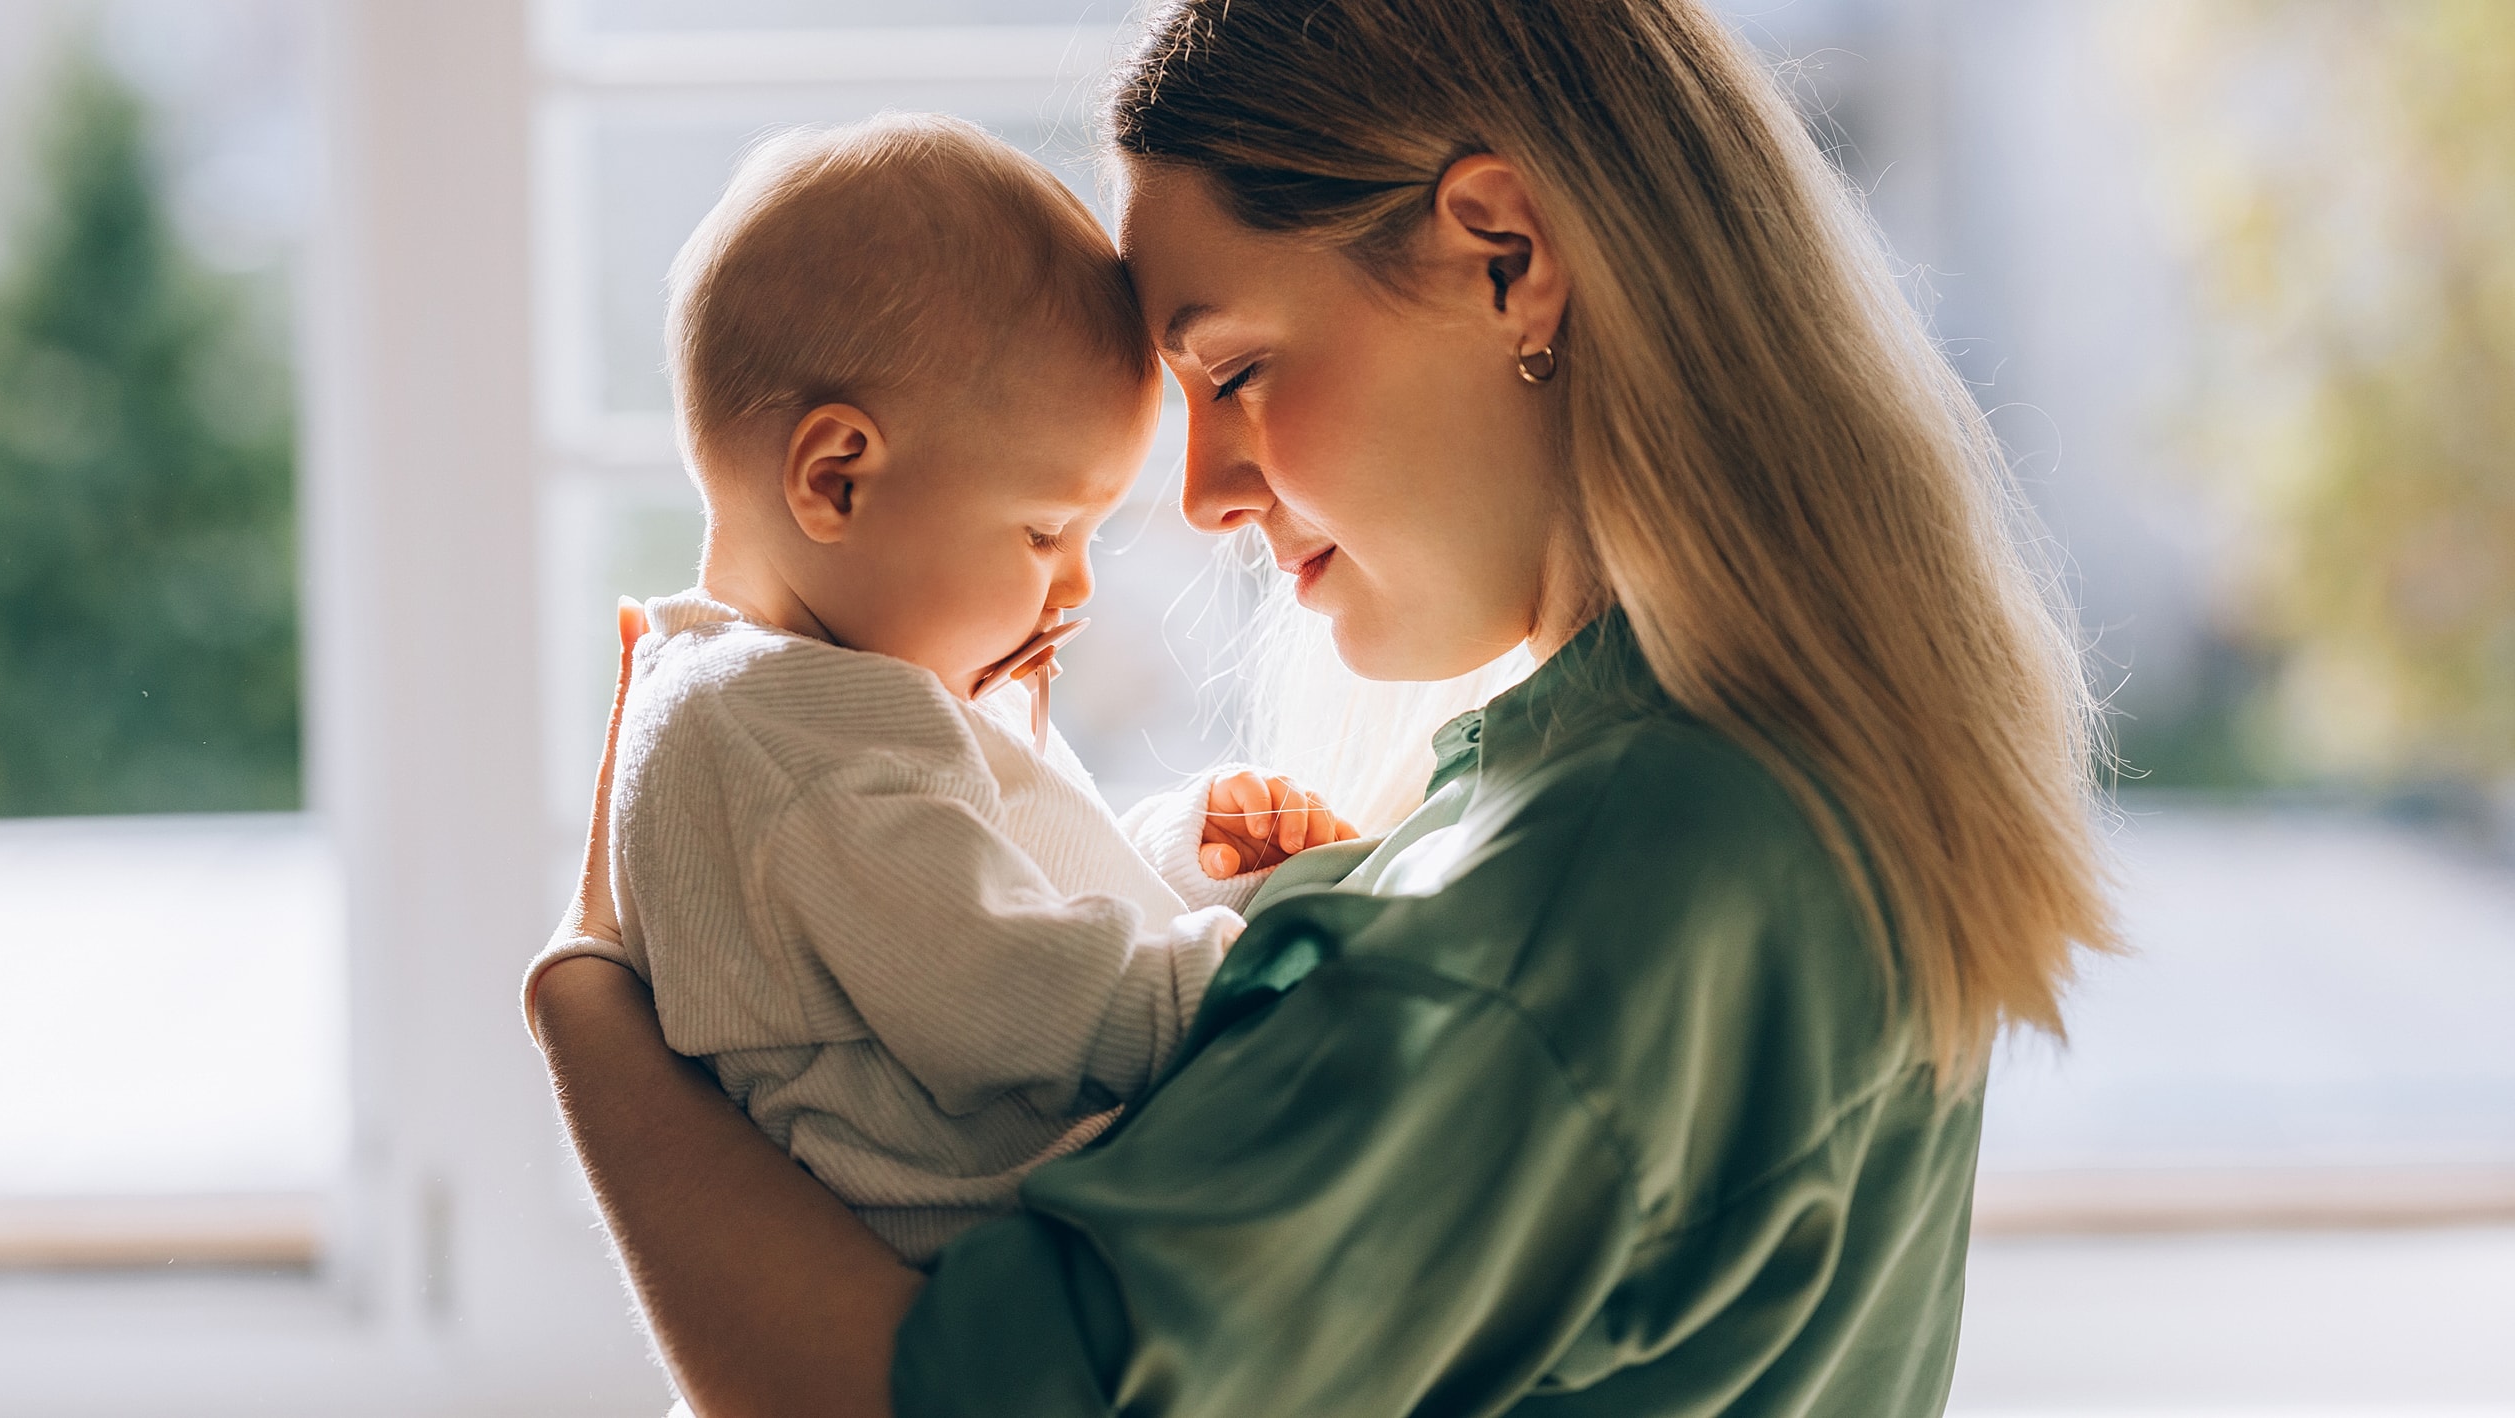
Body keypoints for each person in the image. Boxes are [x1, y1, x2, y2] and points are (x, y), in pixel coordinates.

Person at [530, 1, 2118, 1414]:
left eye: (1235, 374)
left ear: (1504, 256)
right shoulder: (1725, 791)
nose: (1206, 496)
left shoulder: (1584, 897)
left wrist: (591, 1005)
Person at [523, 114, 1355, 1267]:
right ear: (836, 479)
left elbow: (961, 909)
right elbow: (1003, 995)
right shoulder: (785, 740)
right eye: (1044, 530)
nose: (1071, 588)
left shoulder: (791, 696)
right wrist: (1243, 979)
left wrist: (1174, 857)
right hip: (990, 1279)